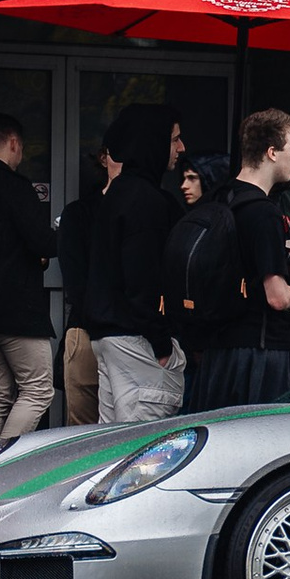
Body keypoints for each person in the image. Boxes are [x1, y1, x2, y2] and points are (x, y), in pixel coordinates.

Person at [191, 109, 290, 405]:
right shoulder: (264, 212)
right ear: (271, 152)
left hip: (218, 352)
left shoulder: (216, 199)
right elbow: (277, 297)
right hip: (261, 351)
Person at [86, 104, 185, 429]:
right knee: (145, 448)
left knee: (113, 443)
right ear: (153, 142)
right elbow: (142, 277)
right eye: (174, 139)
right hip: (137, 339)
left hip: (110, 336)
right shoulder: (145, 200)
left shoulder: (117, 194)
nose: (181, 149)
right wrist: (161, 342)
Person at [0, 109, 57, 446]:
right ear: (14, 143)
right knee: (37, 390)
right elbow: (41, 241)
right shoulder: (15, 187)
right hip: (16, 310)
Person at [162, 154, 238, 410]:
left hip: (210, 336)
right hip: (192, 334)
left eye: (192, 178)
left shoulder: (220, 222)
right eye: (184, 178)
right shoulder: (197, 219)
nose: (184, 185)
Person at [54, 146, 104, 428]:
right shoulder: (80, 214)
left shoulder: (77, 213)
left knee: (85, 430)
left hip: (88, 328)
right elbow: (75, 281)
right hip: (91, 330)